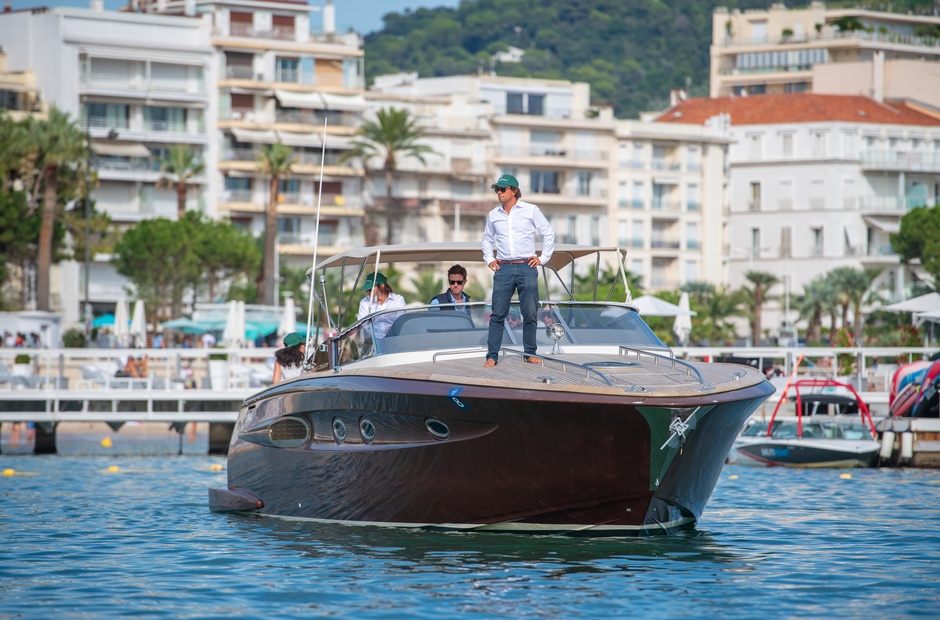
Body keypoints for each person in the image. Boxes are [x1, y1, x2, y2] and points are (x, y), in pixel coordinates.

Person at [481, 173, 555, 367]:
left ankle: (529, 353)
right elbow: (487, 239)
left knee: (530, 313)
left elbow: (548, 233)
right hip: (503, 268)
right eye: (497, 189)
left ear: (514, 191)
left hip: (526, 266)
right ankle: (492, 356)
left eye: (502, 189)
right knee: (497, 314)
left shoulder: (531, 210)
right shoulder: (493, 215)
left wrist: (542, 258)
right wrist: (489, 259)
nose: (498, 192)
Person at [357, 272, 406, 338]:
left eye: (370, 289)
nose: (367, 292)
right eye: (366, 290)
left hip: (394, 339)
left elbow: (400, 322)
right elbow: (363, 326)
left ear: (382, 286)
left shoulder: (398, 300)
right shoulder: (364, 302)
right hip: (373, 342)